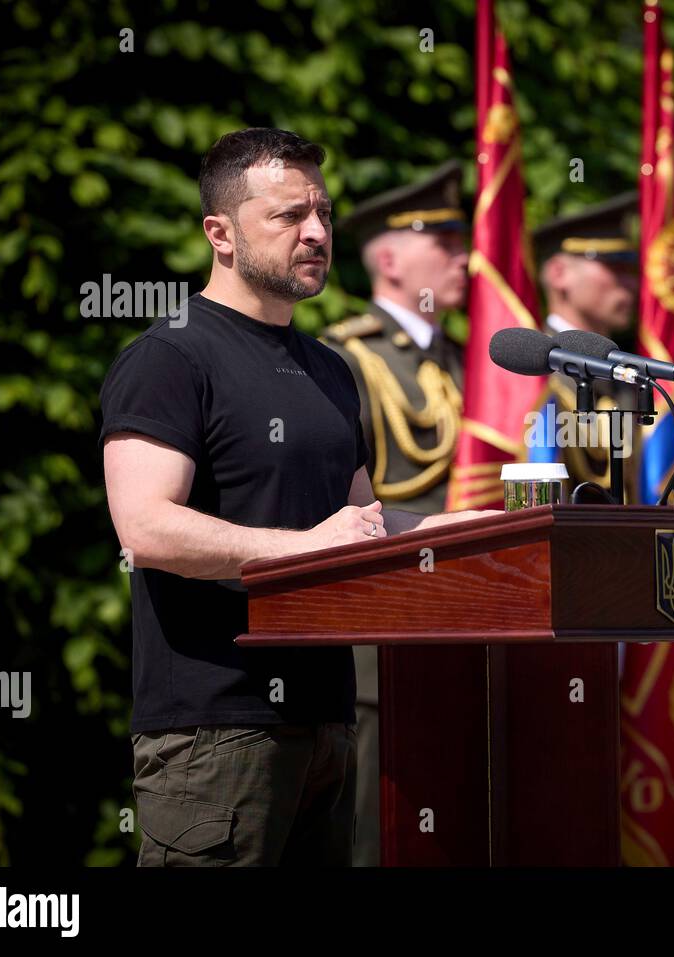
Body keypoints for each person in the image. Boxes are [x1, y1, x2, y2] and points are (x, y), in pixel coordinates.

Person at [99, 128, 482, 866]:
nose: (316, 232)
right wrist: (308, 548)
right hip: (218, 731)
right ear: (221, 234)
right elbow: (146, 528)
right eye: (287, 216)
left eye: (325, 214)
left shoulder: (331, 369)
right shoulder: (169, 356)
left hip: (329, 724)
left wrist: (484, 530)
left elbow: (365, 523)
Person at [321, 162, 469, 866]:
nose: (464, 255)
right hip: (390, 632)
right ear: (388, 258)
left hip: (478, 622)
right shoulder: (347, 357)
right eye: (443, 242)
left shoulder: (470, 358)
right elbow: (346, 506)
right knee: (384, 835)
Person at [530, 194, 640, 498]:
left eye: (630, 270)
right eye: (613, 268)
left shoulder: (624, 373)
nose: (630, 284)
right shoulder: (529, 369)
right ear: (558, 274)